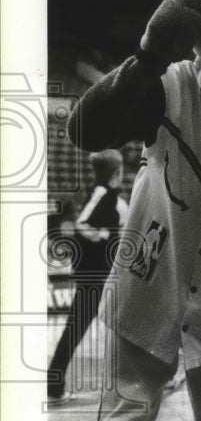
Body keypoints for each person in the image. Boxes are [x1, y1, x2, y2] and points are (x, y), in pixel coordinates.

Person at [47, 149, 128, 402]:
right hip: (95, 278)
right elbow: (81, 224)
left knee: (129, 326)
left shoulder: (115, 199)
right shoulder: (102, 193)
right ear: (117, 171)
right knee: (76, 329)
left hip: (109, 277)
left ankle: (139, 380)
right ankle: (53, 384)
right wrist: (103, 236)